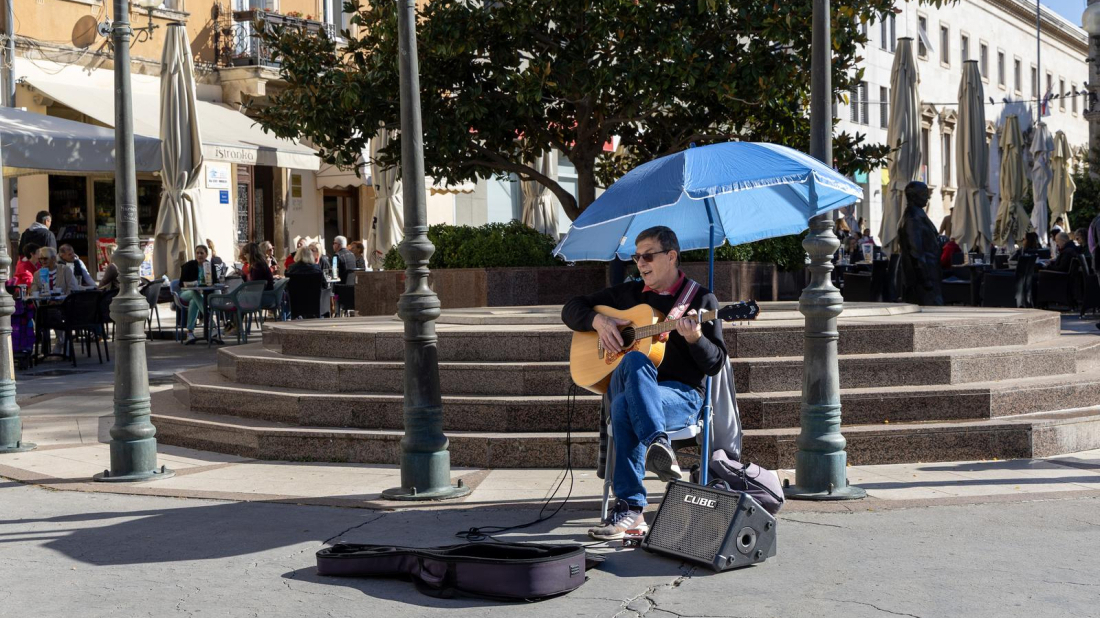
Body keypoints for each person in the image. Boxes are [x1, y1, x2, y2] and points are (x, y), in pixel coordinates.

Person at [561, 226, 727, 541]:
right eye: (636, 257)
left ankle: (630, 510)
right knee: (635, 360)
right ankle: (658, 443)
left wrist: (695, 339)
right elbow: (571, 308)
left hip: (681, 397)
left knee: (623, 406)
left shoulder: (701, 299)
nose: (640, 263)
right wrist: (599, 321)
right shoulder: (628, 295)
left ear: (672, 256)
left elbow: (715, 363)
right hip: (647, 402)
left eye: (648, 255)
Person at [897, 181, 943, 306]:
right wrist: (925, 279)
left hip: (928, 275)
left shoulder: (917, 215)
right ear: (913, 196)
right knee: (932, 312)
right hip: (923, 279)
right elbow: (915, 251)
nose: (927, 197)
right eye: (924, 194)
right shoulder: (913, 218)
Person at [178, 244, 220, 345]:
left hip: (203, 295)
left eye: (202, 253)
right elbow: (181, 284)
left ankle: (190, 333)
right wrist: (193, 284)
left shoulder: (209, 266)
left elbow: (215, 282)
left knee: (194, 301)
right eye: (197, 253)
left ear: (206, 254)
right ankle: (211, 322)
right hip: (185, 293)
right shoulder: (189, 265)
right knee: (193, 293)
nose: (199, 255)